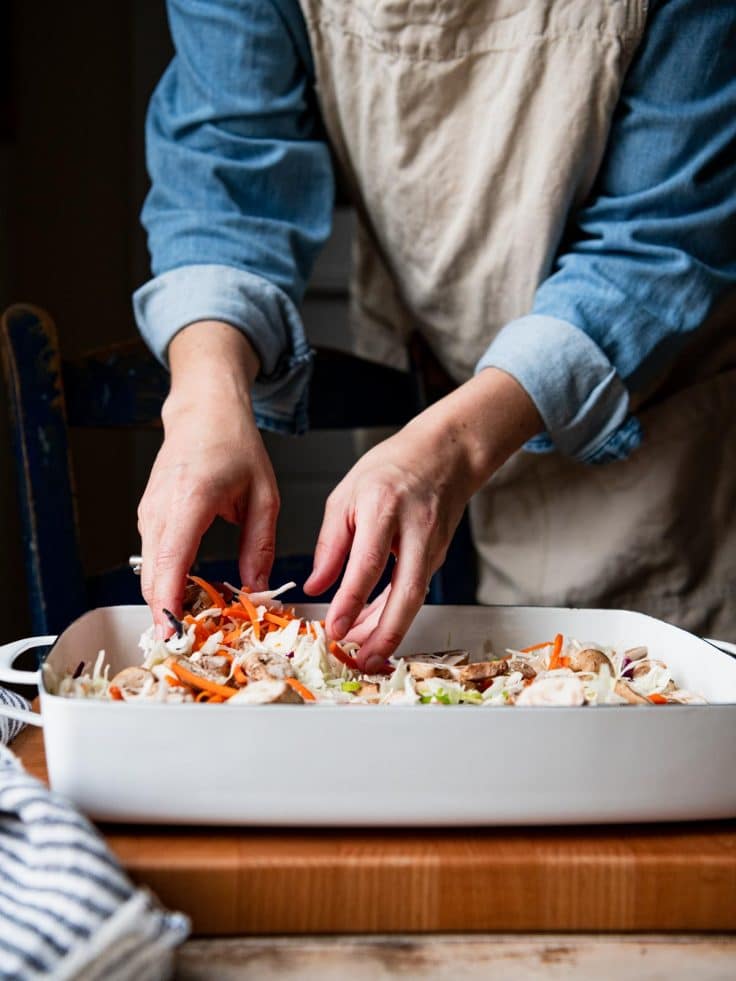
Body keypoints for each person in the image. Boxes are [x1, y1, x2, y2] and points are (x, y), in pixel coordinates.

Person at [134, 0, 736, 674]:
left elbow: (660, 237)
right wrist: (203, 400)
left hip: (653, 414)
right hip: (417, 364)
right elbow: (225, 168)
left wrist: (455, 440)